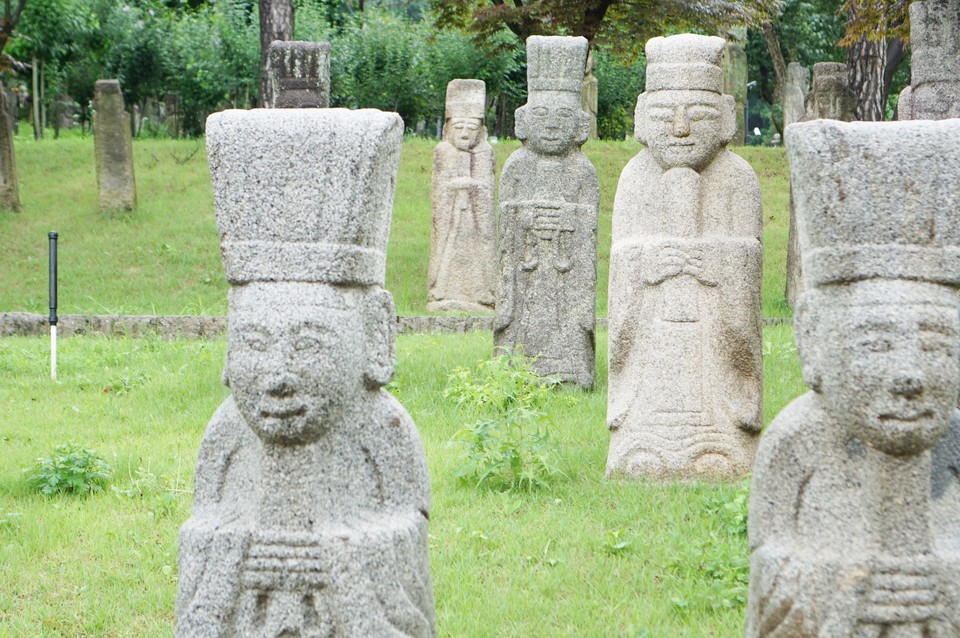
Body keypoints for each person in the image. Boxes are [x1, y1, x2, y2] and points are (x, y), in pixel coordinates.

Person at [606, 34, 763, 480]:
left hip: (711, 325)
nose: (680, 129)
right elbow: (622, 260)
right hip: (653, 325)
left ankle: (721, 442)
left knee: (717, 454)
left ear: (726, 119)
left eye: (698, 116)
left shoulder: (737, 179)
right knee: (642, 459)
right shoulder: (635, 178)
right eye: (664, 115)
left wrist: (715, 262)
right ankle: (643, 439)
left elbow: (747, 259)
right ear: (642, 119)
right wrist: (646, 263)